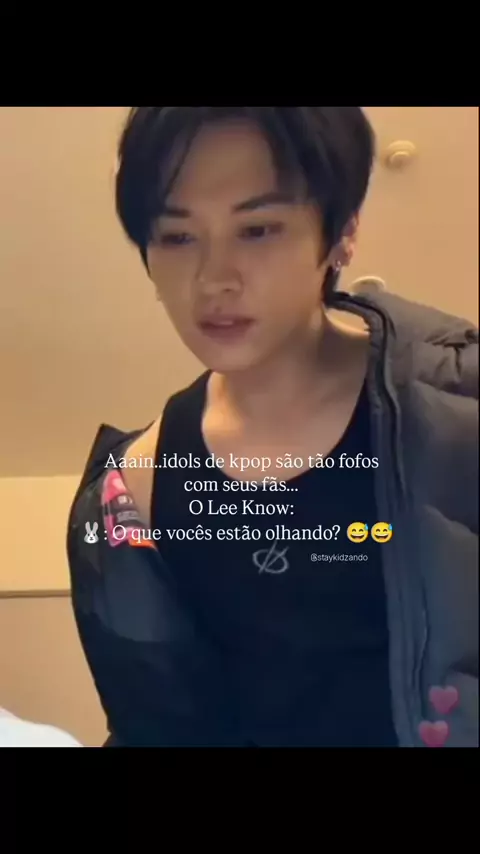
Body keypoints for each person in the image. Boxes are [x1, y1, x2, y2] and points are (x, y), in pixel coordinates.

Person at [67, 107, 478, 747]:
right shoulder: (135, 488)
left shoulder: (459, 404)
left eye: (257, 229)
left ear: (342, 232)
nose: (214, 279)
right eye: (177, 237)